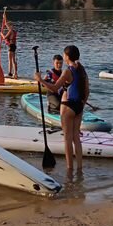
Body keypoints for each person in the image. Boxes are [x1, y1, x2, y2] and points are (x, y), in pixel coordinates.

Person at [35, 45, 89, 174]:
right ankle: (80, 169)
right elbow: (87, 91)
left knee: (67, 139)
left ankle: (70, 170)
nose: (63, 57)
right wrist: (82, 105)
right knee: (76, 138)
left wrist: (40, 79)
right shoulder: (82, 70)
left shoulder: (67, 72)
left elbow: (54, 88)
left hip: (67, 106)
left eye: (64, 55)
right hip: (79, 107)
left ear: (67, 57)